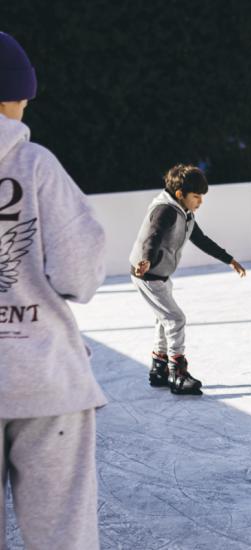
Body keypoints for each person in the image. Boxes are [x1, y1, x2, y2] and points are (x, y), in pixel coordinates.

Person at [0, 31, 106, 549]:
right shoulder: (36, 164)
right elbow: (80, 273)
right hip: (43, 376)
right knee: (63, 534)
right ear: (12, 99)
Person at [129, 164, 246, 395]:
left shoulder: (185, 212)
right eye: (196, 196)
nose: (200, 201)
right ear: (181, 194)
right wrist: (146, 260)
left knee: (164, 320)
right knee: (175, 319)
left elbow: (200, 239)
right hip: (148, 274)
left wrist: (228, 259)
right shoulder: (166, 210)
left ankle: (159, 367)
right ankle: (177, 372)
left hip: (159, 274)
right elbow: (152, 237)